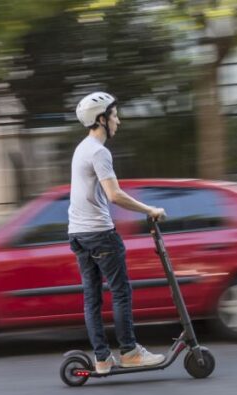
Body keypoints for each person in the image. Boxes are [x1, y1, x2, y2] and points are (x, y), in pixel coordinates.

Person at [67, 91, 167, 374]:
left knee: (92, 297)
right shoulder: (99, 151)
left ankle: (102, 359)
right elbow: (115, 195)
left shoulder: (81, 148)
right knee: (121, 292)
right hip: (99, 234)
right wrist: (149, 210)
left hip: (77, 234)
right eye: (114, 115)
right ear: (101, 119)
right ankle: (130, 351)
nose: (118, 121)